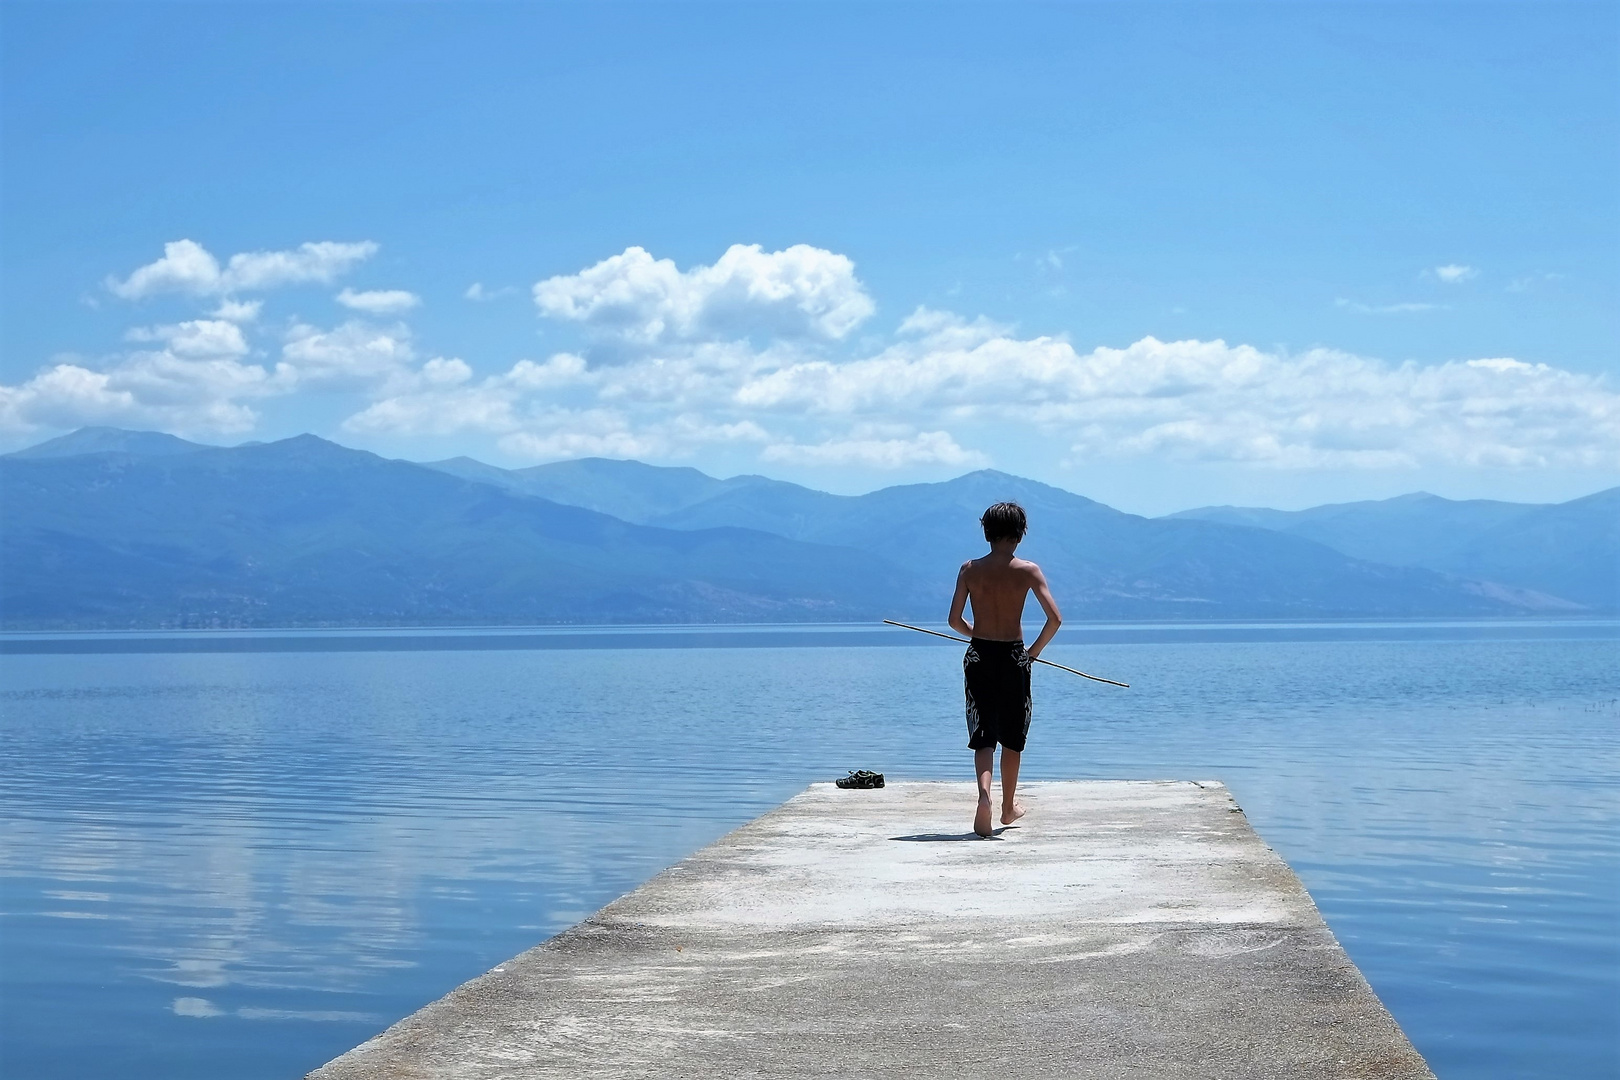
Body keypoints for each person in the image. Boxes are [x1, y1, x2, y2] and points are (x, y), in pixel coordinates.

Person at [947, 501, 1062, 837]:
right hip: (1014, 657)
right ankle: (1008, 807)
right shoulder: (1027, 571)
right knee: (1012, 736)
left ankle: (985, 796)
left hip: (979, 655)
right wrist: (1033, 654)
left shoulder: (969, 569)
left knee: (983, 734)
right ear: (1020, 535)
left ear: (987, 532)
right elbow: (1054, 619)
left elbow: (954, 620)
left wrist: (976, 635)